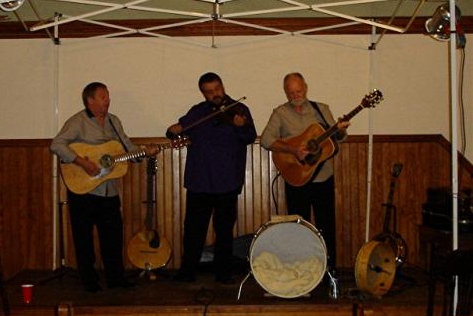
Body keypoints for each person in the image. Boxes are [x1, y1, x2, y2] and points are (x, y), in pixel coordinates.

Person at [50, 82, 159, 292]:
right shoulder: (77, 122)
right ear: (90, 100)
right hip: (83, 190)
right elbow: (57, 144)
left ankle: (116, 279)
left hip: (109, 190)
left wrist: (145, 152)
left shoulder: (114, 122)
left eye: (108, 97)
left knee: (113, 236)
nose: (107, 100)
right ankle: (89, 281)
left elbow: (128, 148)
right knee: (84, 239)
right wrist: (82, 162)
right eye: (103, 97)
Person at [166, 72, 257, 283]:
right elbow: (179, 131)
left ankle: (223, 273)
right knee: (193, 230)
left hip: (227, 182)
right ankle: (187, 271)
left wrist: (240, 126)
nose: (215, 94)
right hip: (200, 180)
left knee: (224, 230)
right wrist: (173, 131)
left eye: (217, 89)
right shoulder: (198, 112)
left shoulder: (239, 110)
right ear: (204, 93)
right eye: (209, 92)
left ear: (222, 86)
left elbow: (249, 137)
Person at [260, 72, 350, 271]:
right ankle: (300, 270)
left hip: (323, 177)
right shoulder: (280, 113)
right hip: (296, 179)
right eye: (290, 93)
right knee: (299, 227)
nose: (295, 95)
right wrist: (292, 150)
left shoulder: (321, 109)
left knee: (327, 226)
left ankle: (328, 270)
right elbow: (266, 140)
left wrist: (341, 129)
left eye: (298, 91)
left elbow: (338, 139)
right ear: (285, 92)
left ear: (305, 87)